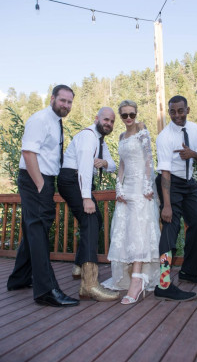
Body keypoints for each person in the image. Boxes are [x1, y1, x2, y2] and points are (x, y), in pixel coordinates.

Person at [7, 85, 79, 307]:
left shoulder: (56, 123)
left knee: (35, 229)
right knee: (38, 230)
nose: (65, 105)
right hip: (35, 179)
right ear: (52, 99)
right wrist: (40, 184)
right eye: (62, 100)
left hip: (44, 180)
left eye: (69, 102)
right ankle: (46, 290)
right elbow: (28, 152)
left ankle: (19, 278)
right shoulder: (40, 120)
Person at [57, 107, 120, 302]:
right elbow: (84, 168)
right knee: (91, 220)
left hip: (78, 181)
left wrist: (104, 163)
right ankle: (89, 284)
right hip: (72, 179)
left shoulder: (100, 141)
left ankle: (78, 265)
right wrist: (86, 198)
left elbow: (114, 165)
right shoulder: (89, 137)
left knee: (95, 220)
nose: (108, 123)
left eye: (111, 121)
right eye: (105, 119)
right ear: (96, 119)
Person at [102, 100, 161, 305]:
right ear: (120, 116)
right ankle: (129, 277)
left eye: (131, 115)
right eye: (124, 115)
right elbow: (121, 164)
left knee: (139, 230)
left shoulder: (142, 129)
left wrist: (147, 185)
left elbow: (148, 158)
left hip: (141, 188)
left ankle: (137, 281)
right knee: (125, 230)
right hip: (126, 189)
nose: (128, 119)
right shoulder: (120, 136)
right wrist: (118, 186)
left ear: (136, 114)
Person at [154, 95, 197, 302]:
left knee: (196, 223)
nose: (176, 115)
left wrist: (192, 153)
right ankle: (164, 283)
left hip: (189, 184)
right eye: (172, 111)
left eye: (180, 110)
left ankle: (188, 271)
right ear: (169, 112)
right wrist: (166, 205)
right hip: (171, 184)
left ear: (188, 110)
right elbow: (165, 173)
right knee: (170, 227)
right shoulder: (164, 137)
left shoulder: (195, 129)